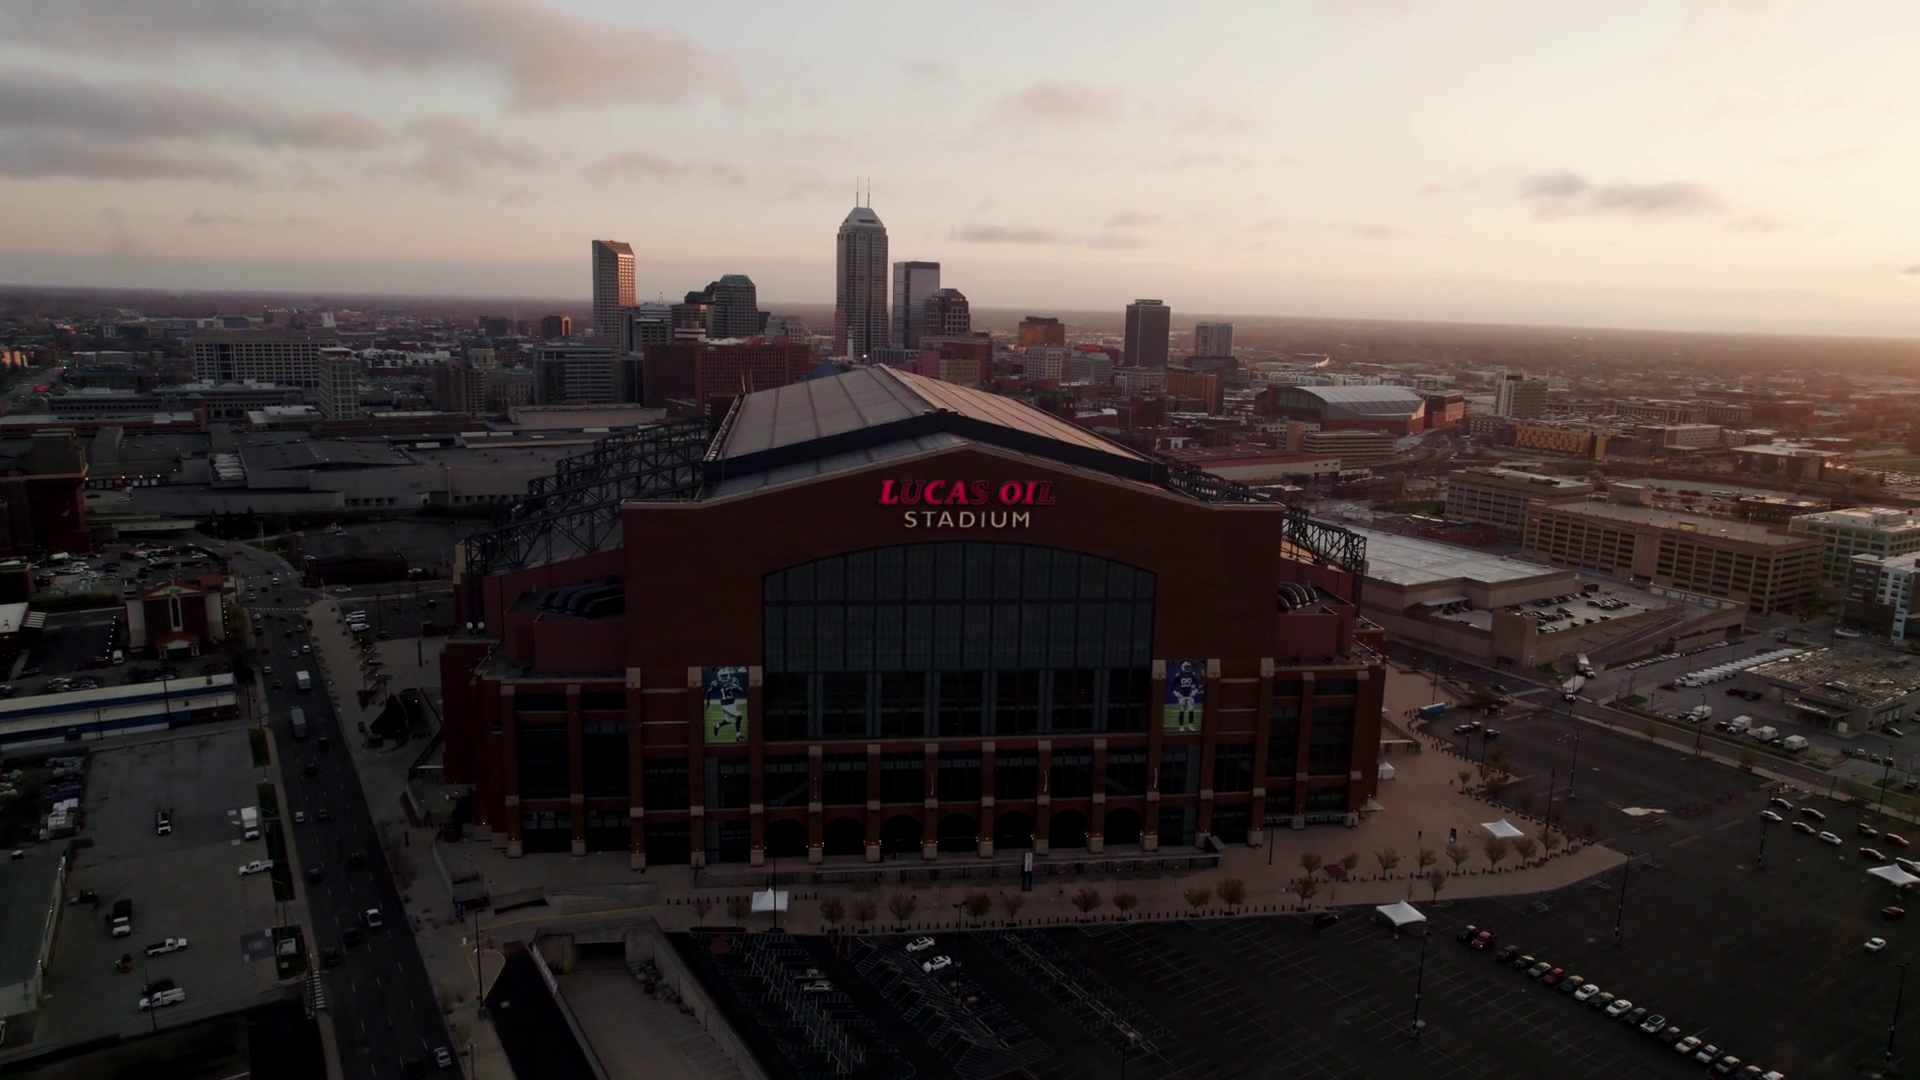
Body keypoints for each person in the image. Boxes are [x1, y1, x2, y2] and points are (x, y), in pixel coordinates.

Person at [707, 669, 747, 742]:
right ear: (719, 676)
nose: (725, 677)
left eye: (726, 676)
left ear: (729, 675)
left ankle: (717, 725)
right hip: (725, 705)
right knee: (739, 716)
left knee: (729, 721)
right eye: (723, 676)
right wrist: (708, 703)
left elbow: (741, 691)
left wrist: (736, 688)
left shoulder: (733, 681)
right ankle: (738, 736)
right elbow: (709, 691)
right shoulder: (716, 684)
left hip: (733, 703)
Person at [1169, 661, 1203, 732]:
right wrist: (1176, 693)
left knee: (1191, 711)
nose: (1187, 668)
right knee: (1182, 711)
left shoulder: (1192, 674)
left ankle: (1190, 725)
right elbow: (1172, 685)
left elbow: (1197, 684)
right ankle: (1181, 726)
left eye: (1188, 667)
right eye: (1186, 667)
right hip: (1182, 696)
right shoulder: (1179, 675)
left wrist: (1194, 691)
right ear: (1182, 667)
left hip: (1189, 695)